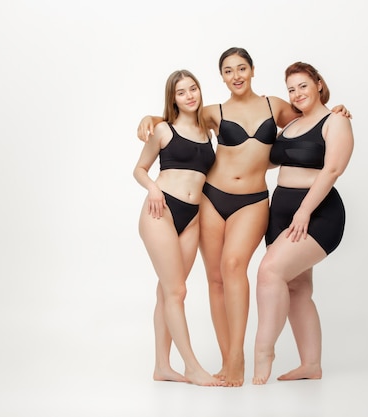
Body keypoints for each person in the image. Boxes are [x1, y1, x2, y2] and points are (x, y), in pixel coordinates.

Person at [137, 48, 351, 387]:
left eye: (241, 68)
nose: (235, 75)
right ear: (221, 77)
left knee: (235, 267)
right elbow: (178, 118)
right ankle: (225, 360)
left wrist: (338, 108)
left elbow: (310, 113)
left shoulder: (274, 105)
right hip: (211, 197)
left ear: (252, 70)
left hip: (252, 200)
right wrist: (149, 117)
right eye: (227, 70)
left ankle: (237, 357)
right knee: (215, 279)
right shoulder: (213, 111)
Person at [252, 62, 354, 385]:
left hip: (317, 212)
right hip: (282, 212)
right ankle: (311, 364)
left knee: (269, 271)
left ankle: (263, 350)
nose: (297, 94)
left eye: (303, 86)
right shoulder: (292, 124)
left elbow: (332, 170)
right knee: (297, 288)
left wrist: (304, 211)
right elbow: (266, 158)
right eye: (291, 89)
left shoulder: (336, 120)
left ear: (319, 84)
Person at [133, 69, 222, 386]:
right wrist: (153, 189)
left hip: (193, 217)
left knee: (167, 292)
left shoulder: (208, 130)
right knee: (177, 291)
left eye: (193, 88)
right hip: (161, 211)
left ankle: (162, 367)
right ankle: (192, 367)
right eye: (182, 92)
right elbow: (140, 169)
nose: (190, 95)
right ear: (173, 98)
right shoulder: (162, 130)